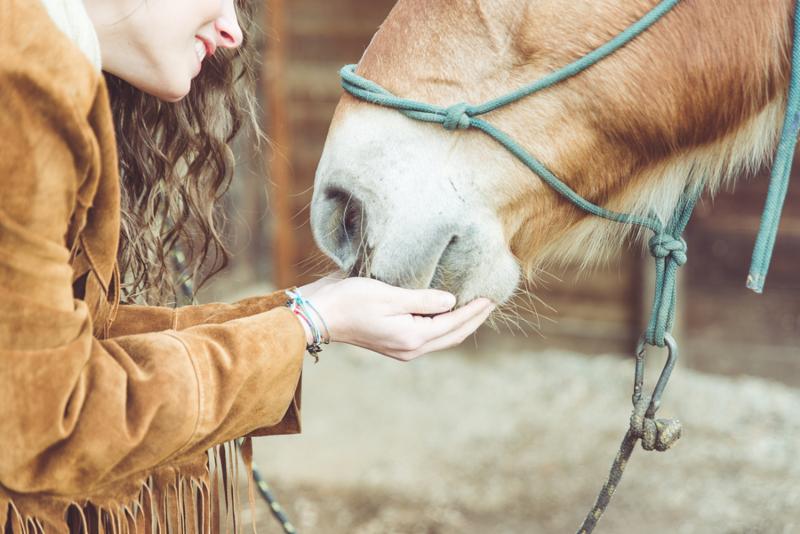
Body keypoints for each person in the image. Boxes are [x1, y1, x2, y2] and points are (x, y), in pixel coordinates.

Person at [0, 0, 495, 531]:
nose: (234, 32)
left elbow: (66, 348)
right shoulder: (26, 82)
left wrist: (303, 312)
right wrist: (307, 324)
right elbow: (51, 420)